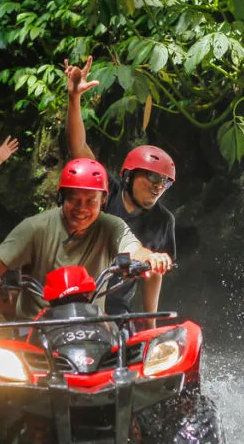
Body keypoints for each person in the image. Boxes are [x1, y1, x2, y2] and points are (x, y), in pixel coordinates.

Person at [0, 158, 172, 386]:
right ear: (62, 198)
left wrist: (152, 258)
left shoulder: (112, 226)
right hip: (34, 323)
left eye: (91, 201)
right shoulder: (36, 226)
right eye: (75, 199)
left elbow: (135, 249)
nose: (82, 209)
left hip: (93, 324)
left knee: (139, 362)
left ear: (103, 200)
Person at [64, 55, 177, 321]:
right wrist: (74, 99)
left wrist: (149, 323)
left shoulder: (163, 220)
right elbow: (79, 150)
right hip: (73, 296)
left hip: (115, 309)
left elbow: (153, 274)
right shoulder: (104, 193)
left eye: (164, 182)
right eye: (150, 178)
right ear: (128, 176)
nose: (157, 186)